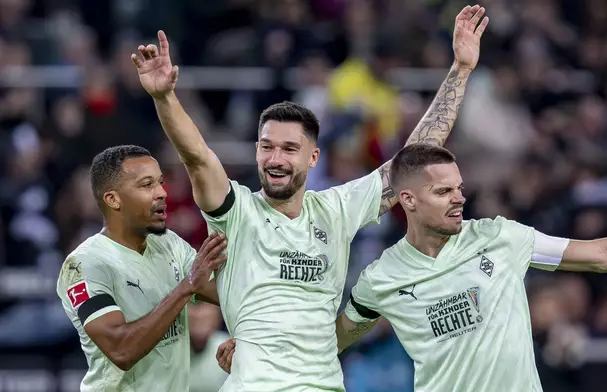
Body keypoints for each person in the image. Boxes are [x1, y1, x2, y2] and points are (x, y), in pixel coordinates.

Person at [131, 5, 488, 391]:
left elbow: (416, 157)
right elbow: (197, 156)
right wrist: (165, 97)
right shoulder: (237, 211)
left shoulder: (335, 209)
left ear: (313, 157)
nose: (276, 159)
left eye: (289, 148)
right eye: (267, 147)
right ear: (255, 152)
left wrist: (461, 70)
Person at [332, 143, 607, 392]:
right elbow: (337, 338)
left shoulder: (500, 237)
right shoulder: (381, 277)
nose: (459, 199)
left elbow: (601, 254)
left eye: (459, 188)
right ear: (409, 200)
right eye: (443, 192)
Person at [56, 145, 227, 392]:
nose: (162, 193)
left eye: (160, 182)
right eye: (147, 185)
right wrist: (186, 288)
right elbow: (122, 350)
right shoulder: (84, 265)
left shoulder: (169, 243)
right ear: (113, 199)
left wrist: (245, 337)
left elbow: (229, 293)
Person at [188, 303, 230, 392]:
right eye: (194, 321)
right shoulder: (175, 352)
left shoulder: (229, 348)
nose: (199, 329)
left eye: (204, 321)